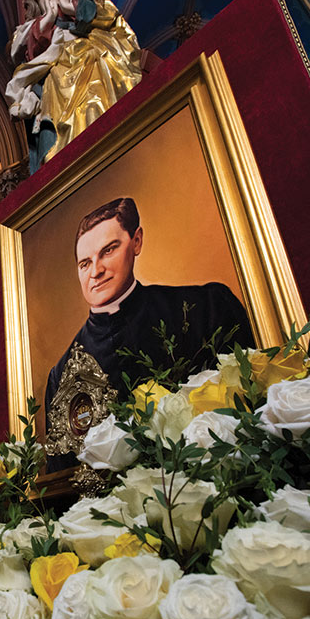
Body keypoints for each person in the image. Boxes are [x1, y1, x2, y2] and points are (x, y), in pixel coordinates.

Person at [45, 197, 255, 470]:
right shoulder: (61, 374)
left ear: (137, 241)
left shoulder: (205, 309)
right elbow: (63, 477)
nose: (95, 271)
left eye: (108, 251)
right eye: (85, 263)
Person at [5, 0, 141, 171]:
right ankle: (63, 161)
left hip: (87, 57)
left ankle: (101, 142)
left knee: (92, 70)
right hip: (54, 72)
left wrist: (71, 7)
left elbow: (106, 14)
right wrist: (48, 20)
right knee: (55, 84)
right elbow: (21, 50)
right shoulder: (27, 28)